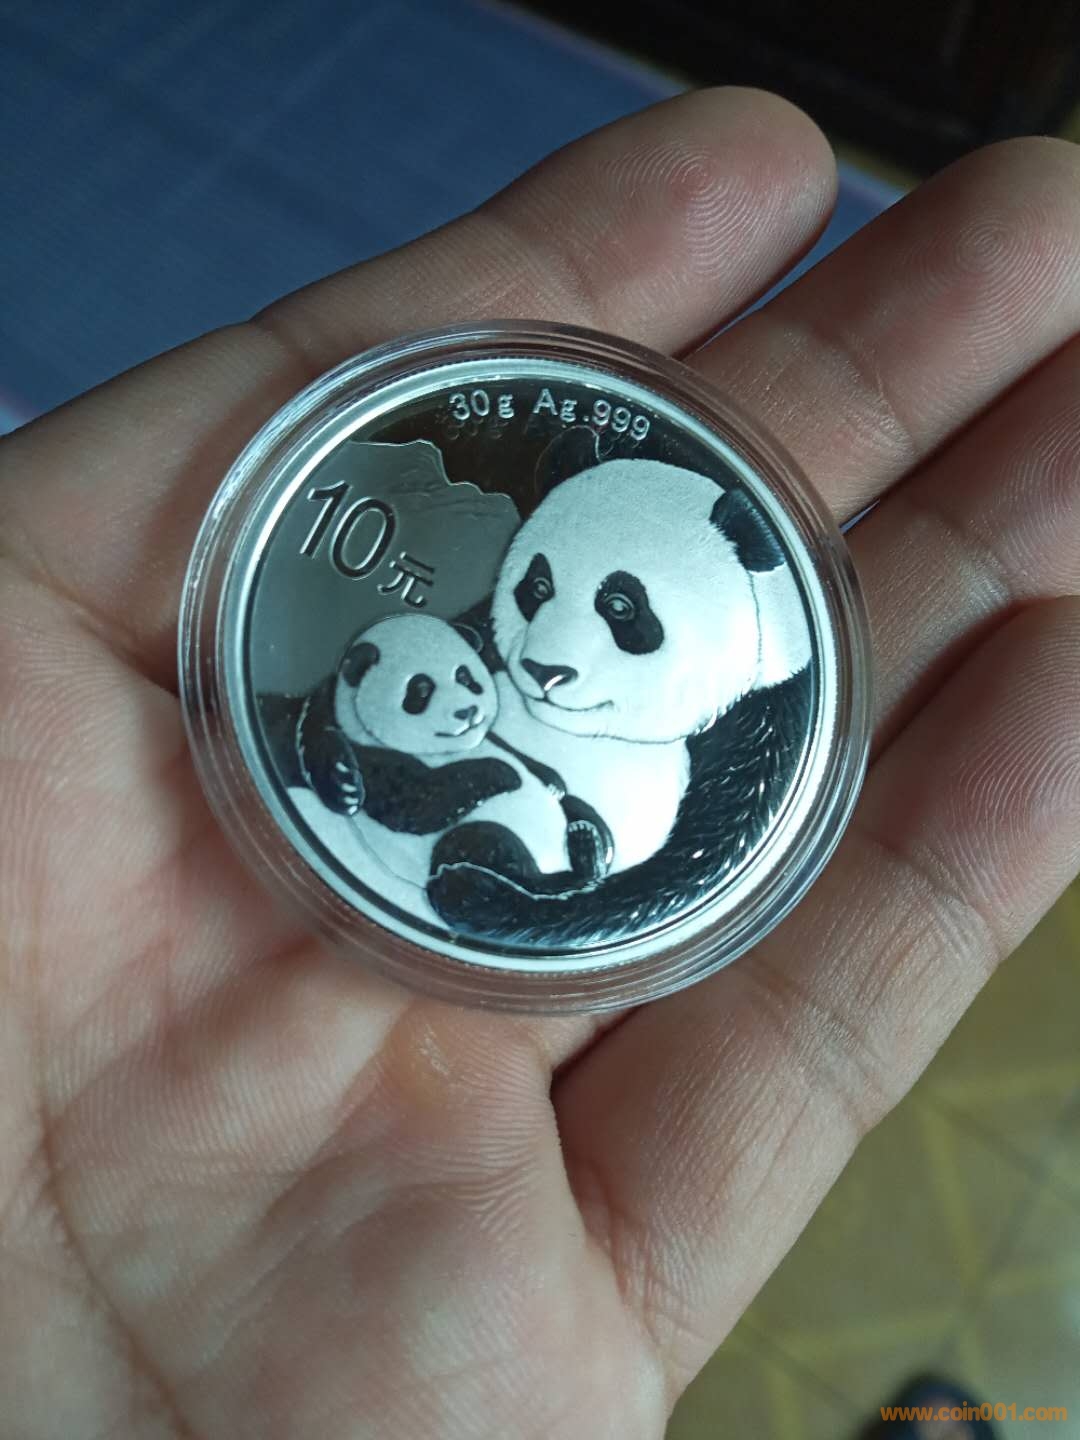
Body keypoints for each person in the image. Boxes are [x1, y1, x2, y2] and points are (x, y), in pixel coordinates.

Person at [0, 88, 1077, 1438]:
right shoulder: (455, 659)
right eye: (538, 586)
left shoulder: (686, 761)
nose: (551, 643)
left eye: (623, 615)